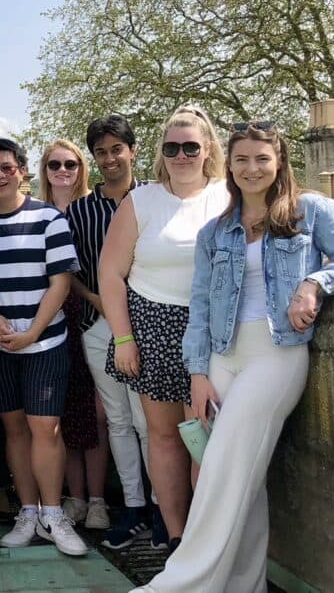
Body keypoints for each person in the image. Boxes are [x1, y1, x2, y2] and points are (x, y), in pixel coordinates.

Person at [140, 123, 334, 592]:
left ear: (280, 162)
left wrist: (315, 284)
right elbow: (201, 306)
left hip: (276, 355)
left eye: (261, 159)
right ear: (228, 164)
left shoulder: (310, 211)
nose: (251, 169)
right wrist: (198, 373)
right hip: (223, 357)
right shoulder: (216, 231)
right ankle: (243, 585)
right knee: (240, 478)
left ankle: (181, 584)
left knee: (223, 472)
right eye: (242, 159)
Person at [101, 108, 229, 553]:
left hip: (213, 329)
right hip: (152, 325)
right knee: (165, 436)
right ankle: (175, 536)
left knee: (206, 436)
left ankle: (203, 539)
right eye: (171, 147)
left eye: (190, 146)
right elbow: (111, 273)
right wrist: (123, 338)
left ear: (207, 149)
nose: (181, 155)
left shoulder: (228, 196)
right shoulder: (142, 201)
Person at [0, 139, 87, 558]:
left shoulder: (48, 218)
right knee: (14, 429)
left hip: (45, 342)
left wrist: (33, 331)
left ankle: (54, 512)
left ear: (21, 170)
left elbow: (61, 281)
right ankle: (29, 511)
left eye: (6, 167)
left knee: (44, 428)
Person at [67, 117, 155, 550]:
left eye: (117, 149)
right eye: (101, 152)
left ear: (133, 150)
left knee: (148, 422)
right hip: (99, 324)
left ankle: (161, 507)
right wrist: (99, 301)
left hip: (151, 324)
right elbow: (71, 272)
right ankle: (134, 506)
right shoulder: (80, 211)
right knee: (118, 420)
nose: (109, 159)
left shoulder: (157, 197)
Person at [39, 140, 109, 533]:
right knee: (61, 412)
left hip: (92, 315)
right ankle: (76, 496)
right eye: (54, 164)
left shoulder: (93, 211)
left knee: (97, 412)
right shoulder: (36, 212)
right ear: (44, 170)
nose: (63, 170)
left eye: (71, 163)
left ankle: (97, 498)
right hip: (55, 318)